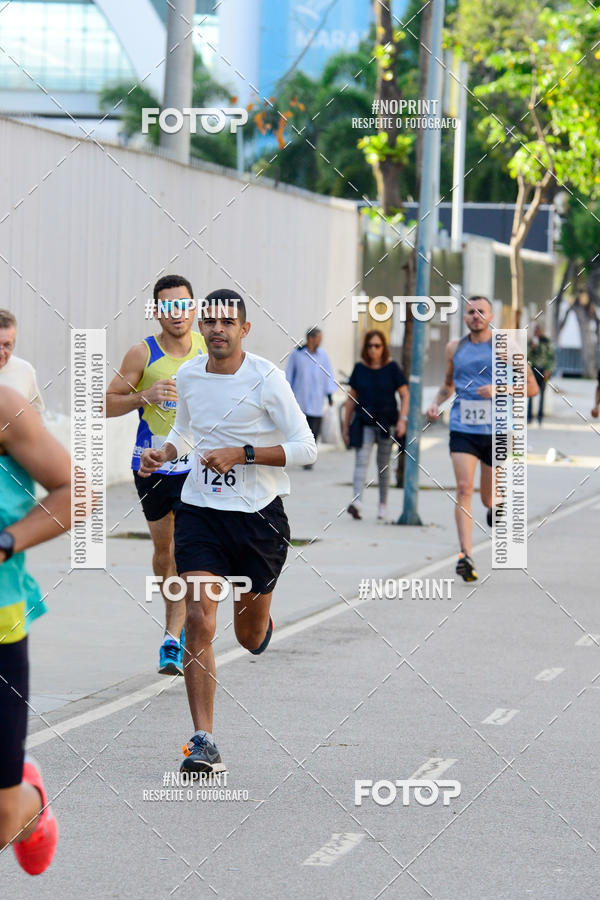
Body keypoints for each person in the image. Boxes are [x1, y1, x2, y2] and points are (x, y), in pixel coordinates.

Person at [138, 288, 316, 775]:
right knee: (198, 619)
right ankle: (203, 741)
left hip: (259, 516)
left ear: (243, 329)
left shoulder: (267, 378)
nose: (217, 329)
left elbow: (306, 447)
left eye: (227, 322)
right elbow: (187, 433)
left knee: (247, 634)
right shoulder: (190, 374)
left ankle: (260, 624)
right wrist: (166, 454)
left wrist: (244, 453)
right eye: (210, 322)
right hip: (200, 511)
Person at [106, 275, 206, 676]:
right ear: (157, 311)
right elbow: (105, 403)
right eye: (167, 306)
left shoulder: (209, 347)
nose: (176, 313)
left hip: (200, 466)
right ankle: (176, 626)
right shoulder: (142, 353)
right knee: (166, 554)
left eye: (182, 304)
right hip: (153, 466)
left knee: (190, 552)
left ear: (194, 307)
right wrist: (143, 396)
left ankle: (173, 636)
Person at [0, 386, 70, 874]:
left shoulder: (5, 406)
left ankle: (23, 803)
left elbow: (75, 491)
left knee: (1, 820)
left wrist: (8, 540)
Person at [426, 296, 539, 582]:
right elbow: (448, 384)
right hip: (463, 428)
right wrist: (436, 404)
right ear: (464, 317)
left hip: (497, 430)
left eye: (481, 311)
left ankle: (495, 505)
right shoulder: (455, 348)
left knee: (488, 496)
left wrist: (500, 388)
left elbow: (532, 387)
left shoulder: (505, 346)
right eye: (470, 311)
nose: (475, 316)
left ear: (491, 317)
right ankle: (465, 555)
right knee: (464, 487)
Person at [342, 329, 409, 521]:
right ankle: (357, 503)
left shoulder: (392, 368)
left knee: (383, 466)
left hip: (386, 424)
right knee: (360, 463)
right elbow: (350, 398)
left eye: (377, 346)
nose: (373, 349)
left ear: (383, 347)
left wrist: (403, 420)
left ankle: (382, 505)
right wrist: (346, 426)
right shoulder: (359, 368)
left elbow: (405, 394)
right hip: (363, 423)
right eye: (370, 346)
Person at [285, 327, 336, 468]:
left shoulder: (323, 355)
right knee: (302, 430)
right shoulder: (297, 354)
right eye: (318, 338)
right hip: (300, 398)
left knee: (315, 431)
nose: (320, 341)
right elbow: (289, 374)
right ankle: (302, 456)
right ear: (310, 338)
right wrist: (287, 395)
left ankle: (309, 458)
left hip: (317, 399)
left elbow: (328, 375)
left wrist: (330, 395)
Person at [0, 310, 45, 414]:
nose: (1, 353)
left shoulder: (25, 371)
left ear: (14, 343)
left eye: (7, 345)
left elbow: (36, 414)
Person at [527, 325, 555, 425]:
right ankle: (529, 417)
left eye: (538, 331)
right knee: (530, 393)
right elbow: (526, 357)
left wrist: (549, 370)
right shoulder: (530, 343)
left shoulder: (547, 343)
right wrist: (531, 348)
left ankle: (540, 417)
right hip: (533, 370)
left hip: (543, 371)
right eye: (535, 331)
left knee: (542, 394)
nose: (536, 333)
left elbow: (551, 359)